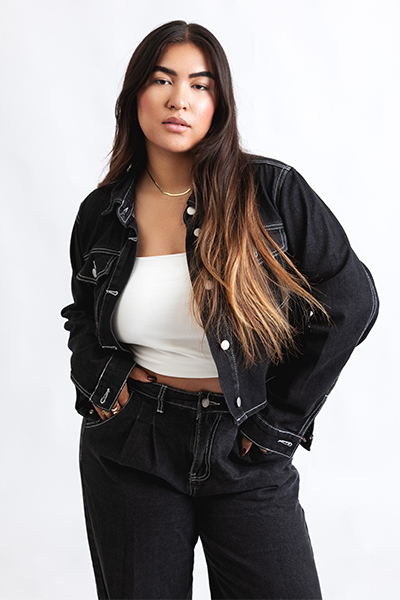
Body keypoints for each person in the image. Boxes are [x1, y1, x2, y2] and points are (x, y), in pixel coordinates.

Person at [61, 20, 379, 600]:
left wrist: (280, 421)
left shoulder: (271, 192)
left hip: (243, 445)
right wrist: (101, 382)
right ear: (135, 95)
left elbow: (351, 301)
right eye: (162, 80)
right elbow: (83, 314)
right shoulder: (102, 212)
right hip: (133, 446)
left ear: (219, 104)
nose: (179, 99)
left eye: (200, 85)